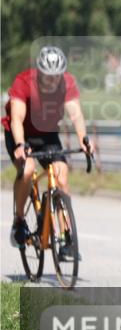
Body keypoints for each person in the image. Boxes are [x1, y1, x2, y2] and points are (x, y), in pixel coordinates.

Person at [3, 46, 93, 257]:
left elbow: (76, 115)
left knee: (61, 177)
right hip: (20, 133)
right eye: (48, 77)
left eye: (57, 77)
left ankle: (67, 238)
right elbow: (16, 119)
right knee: (27, 170)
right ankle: (19, 222)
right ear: (40, 72)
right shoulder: (24, 82)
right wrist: (19, 145)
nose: (53, 81)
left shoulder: (67, 83)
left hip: (47, 133)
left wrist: (83, 140)